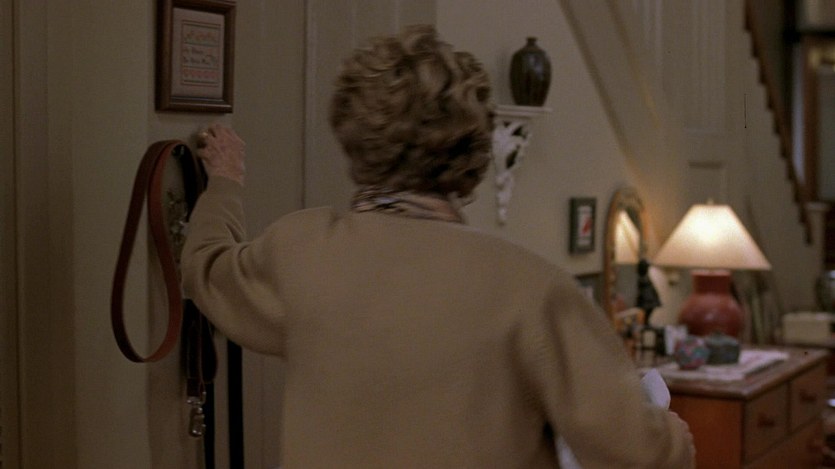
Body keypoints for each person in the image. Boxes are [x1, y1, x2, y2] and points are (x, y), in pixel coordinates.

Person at [182, 25, 695, 468]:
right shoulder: (530, 289)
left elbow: (206, 268)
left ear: (353, 137)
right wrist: (672, 432)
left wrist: (225, 180)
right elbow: (638, 451)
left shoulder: (301, 249)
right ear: (474, 148)